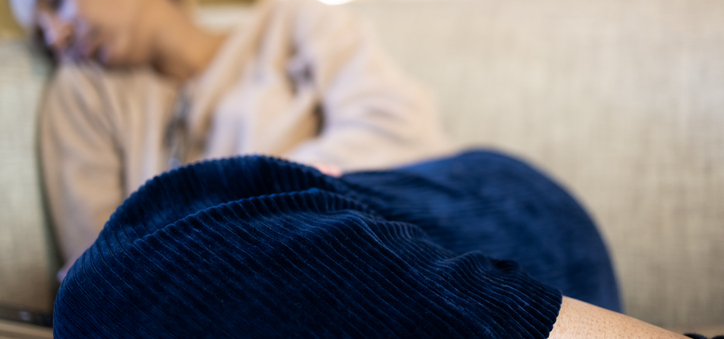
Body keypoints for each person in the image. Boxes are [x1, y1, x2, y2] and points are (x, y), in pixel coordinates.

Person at [7, 0, 451, 275]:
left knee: (497, 175)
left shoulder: (292, 22)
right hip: (275, 282)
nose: (58, 35)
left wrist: (225, 212)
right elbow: (100, 267)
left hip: (393, 228)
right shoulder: (86, 92)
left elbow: (398, 128)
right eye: (42, 35)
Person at [52, 152, 693, 338]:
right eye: (39, 21)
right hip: (222, 242)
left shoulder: (292, 25)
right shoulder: (93, 86)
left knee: (104, 294)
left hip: (440, 204)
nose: (53, 30)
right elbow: (86, 224)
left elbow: (389, 118)